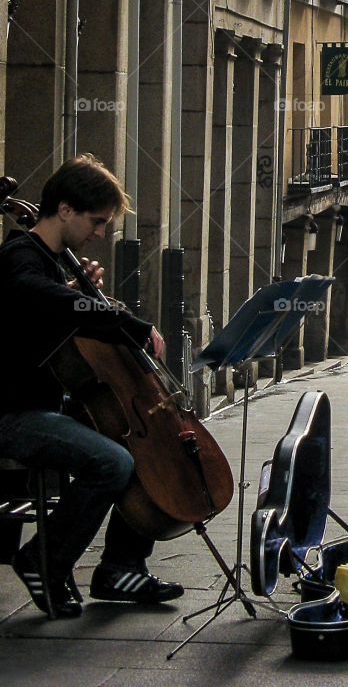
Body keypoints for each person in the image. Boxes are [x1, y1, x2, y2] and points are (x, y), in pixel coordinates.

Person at [0, 155, 184, 617]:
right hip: (13, 412)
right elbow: (40, 296)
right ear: (64, 209)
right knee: (111, 461)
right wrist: (120, 319)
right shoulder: (21, 257)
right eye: (96, 221)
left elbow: (65, 316)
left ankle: (121, 568)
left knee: (139, 447)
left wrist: (84, 297)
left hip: (48, 403)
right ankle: (45, 559)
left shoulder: (55, 263)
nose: (101, 232)